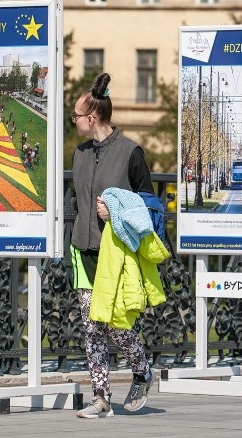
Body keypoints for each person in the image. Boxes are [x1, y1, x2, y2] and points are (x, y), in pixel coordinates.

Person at [70, 72, 157, 419]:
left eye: (75, 116)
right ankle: (101, 397)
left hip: (116, 254)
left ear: (91, 118)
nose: (73, 121)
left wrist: (116, 211)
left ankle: (142, 371)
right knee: (92, 328)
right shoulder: (79, 154)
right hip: (83, 250)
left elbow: (150, 205)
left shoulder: (131, 153)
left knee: (116, 326)